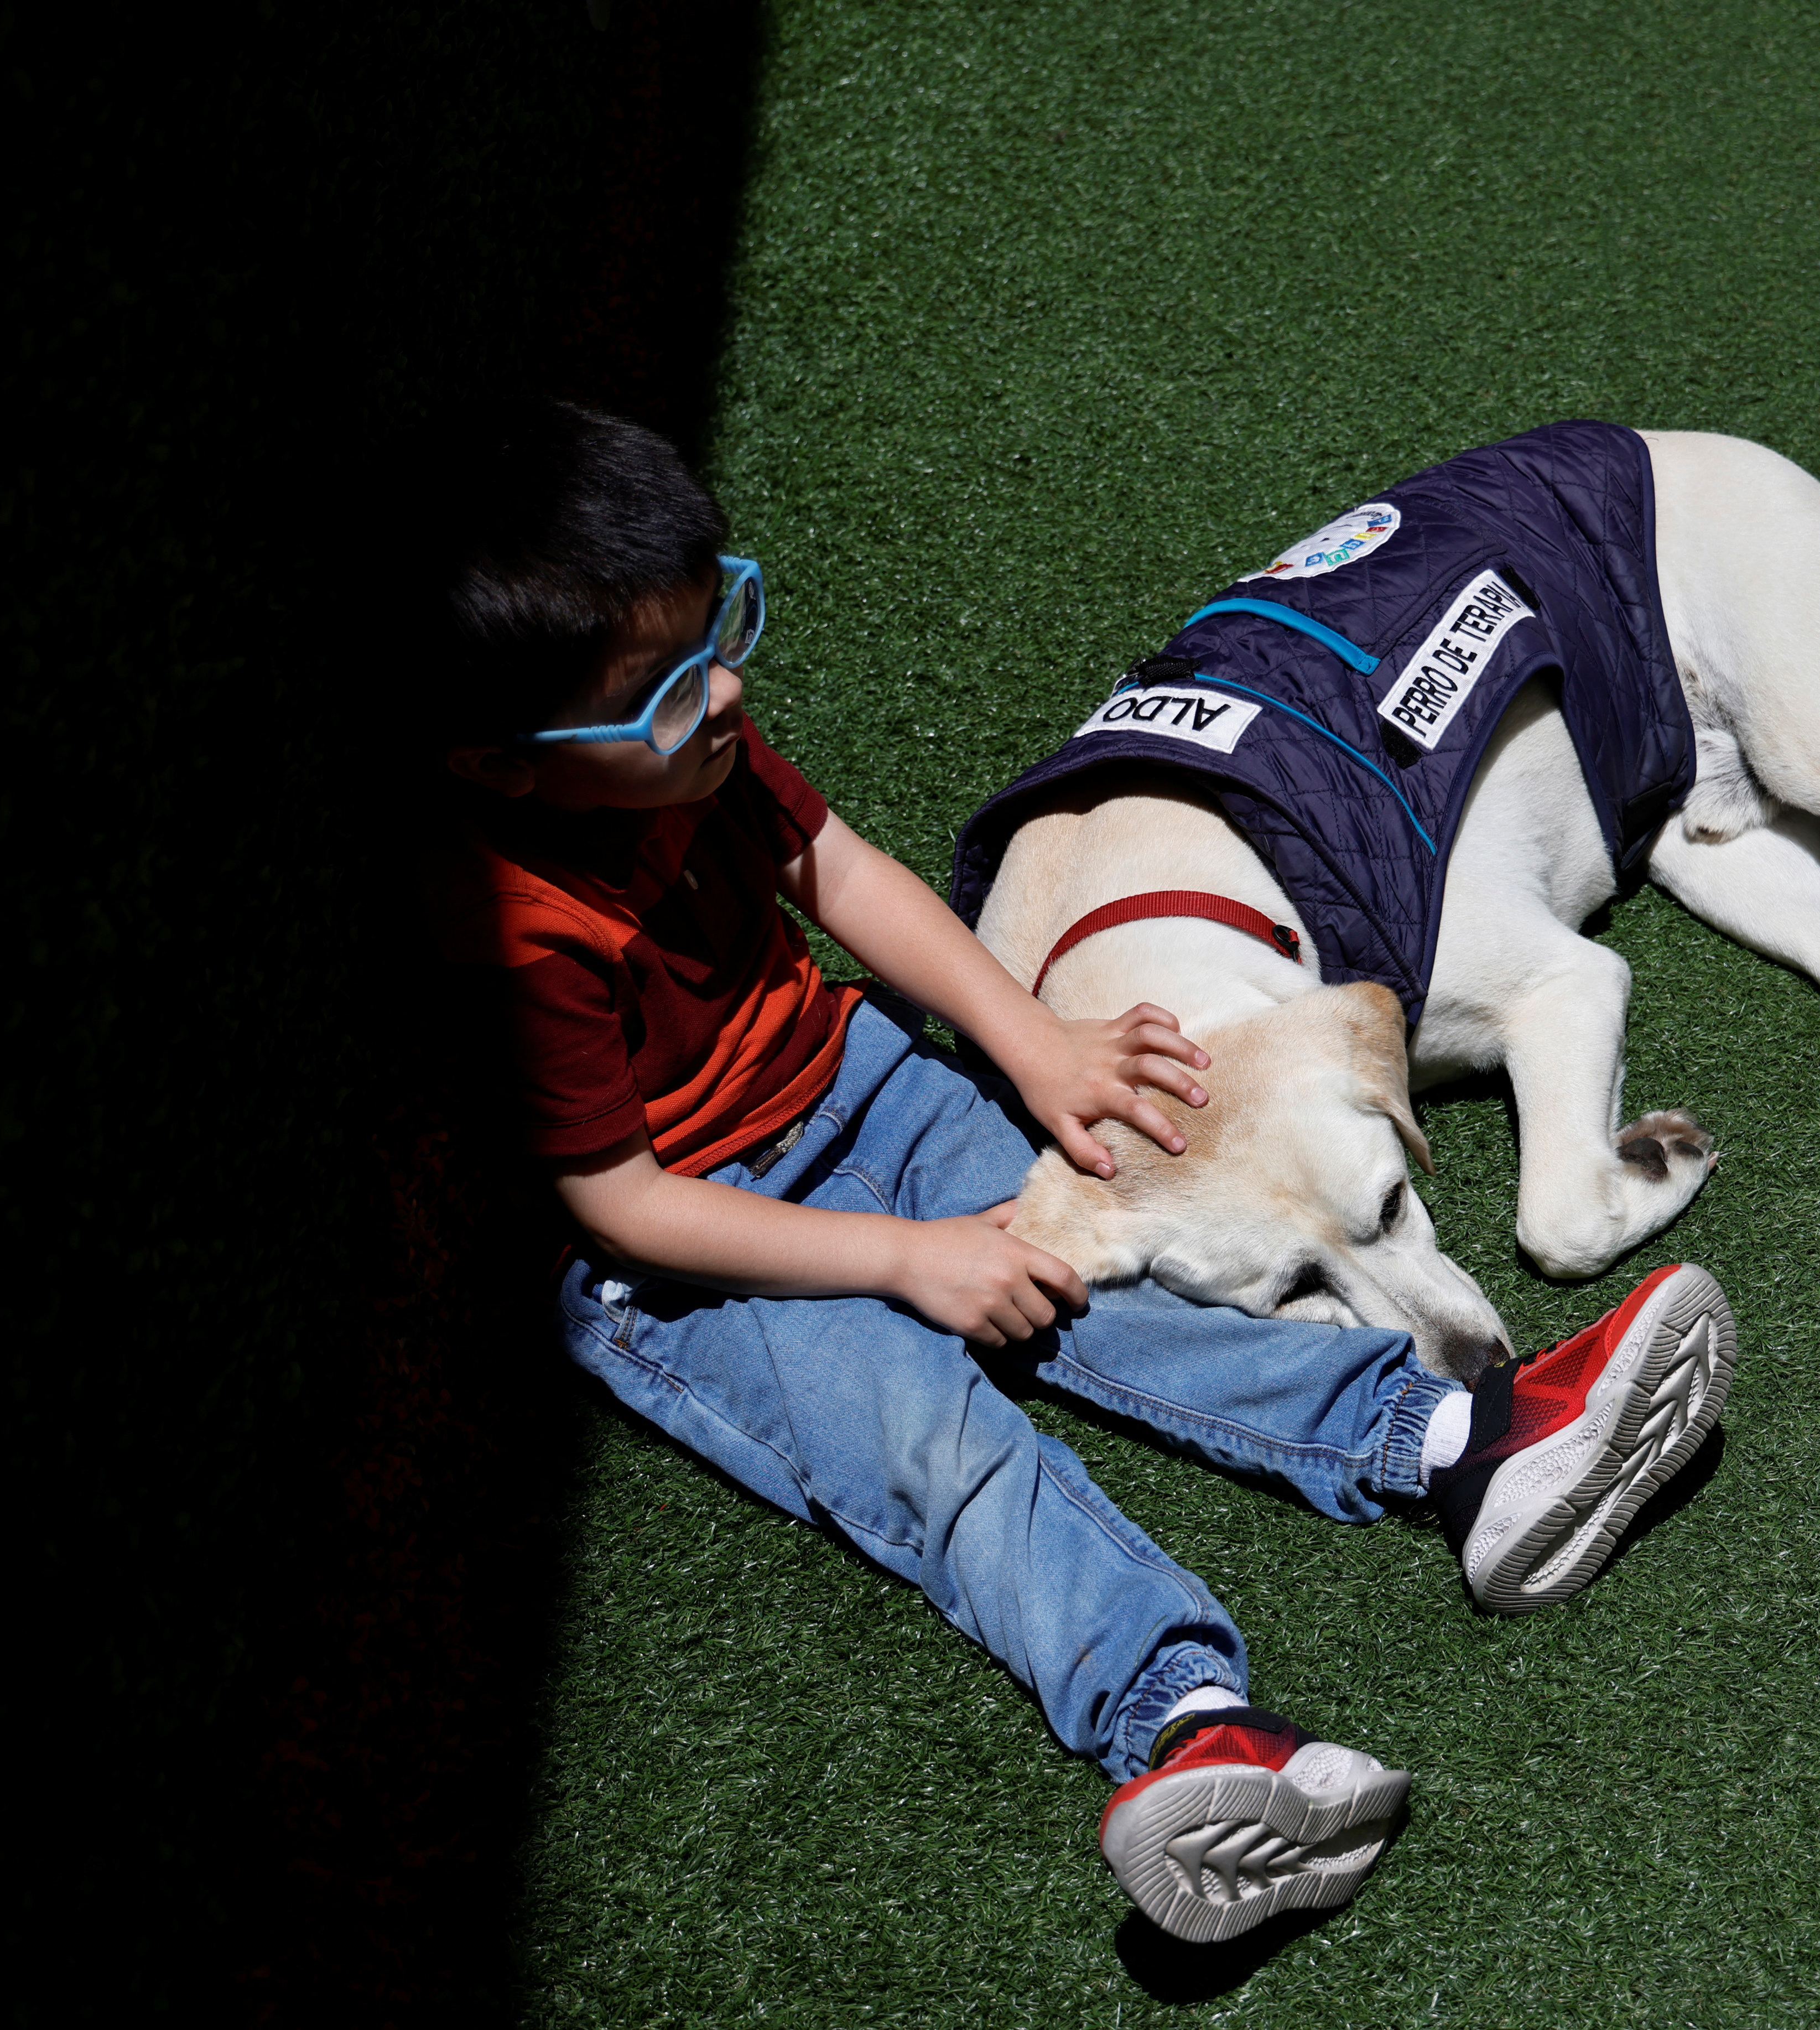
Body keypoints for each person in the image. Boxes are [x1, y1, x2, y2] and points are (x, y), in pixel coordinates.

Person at [410, 401, 1739, 1944]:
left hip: (862, 1085)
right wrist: (904, 1264)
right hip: (689, 1259)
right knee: (935, 1445)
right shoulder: (517, 931)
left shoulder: (691, 748)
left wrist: (1032, 1043)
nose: (724, 693)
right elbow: (624, 1202)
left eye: (726, 630)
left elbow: (840, 872)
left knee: (1119, 1268)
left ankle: (1469, 1443)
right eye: (660, 693)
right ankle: (1187, 1732)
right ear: (502, 767)